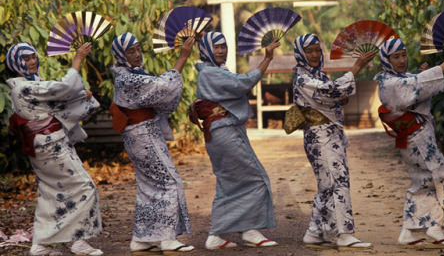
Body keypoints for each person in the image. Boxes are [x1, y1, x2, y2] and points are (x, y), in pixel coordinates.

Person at [6, 42, 103, 256]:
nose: (32, 61)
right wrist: (77, 59)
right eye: (25, 59)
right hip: (50, 146)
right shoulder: (24, 87)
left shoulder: (30, 85)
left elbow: (60, 96)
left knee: (50, 194)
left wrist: (80, 96)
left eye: (33, 57)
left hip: (44, 145)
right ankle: (78, 241)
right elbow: (63, 89)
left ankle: (40, 245)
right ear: (15, 63)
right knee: (85, 187)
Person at [189, 31, 279, 250]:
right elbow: (243, 83)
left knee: (228, 183)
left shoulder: (216, 72)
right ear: (206, 50)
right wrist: (267, 58)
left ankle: (216, 236)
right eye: (216, 47)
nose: (221, 51)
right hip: (224, 131)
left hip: (223, 130)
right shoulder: (210, 73)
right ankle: (249, 230)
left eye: (223, 46)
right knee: (256, 178)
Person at [374, 38, 444, 247]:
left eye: (403, 54)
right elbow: (416, 86)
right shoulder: (391, 82)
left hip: (416, 138)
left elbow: (415, 85)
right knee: (440, 177)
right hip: (416, 140)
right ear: (386, 60)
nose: (401, 60)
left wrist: (419, 74)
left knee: (424, 182)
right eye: (395, 56)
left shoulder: (394, 79)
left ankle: (411, 231)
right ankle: (434, 226)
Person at [109, 32, 196, 254]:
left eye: (138, 48)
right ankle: (167, 238)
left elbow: (156, 89)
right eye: (131, 51)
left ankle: (141, 238)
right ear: (121, 55)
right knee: (169, 181)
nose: (137, 54)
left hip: (140, 133)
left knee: (149, 185)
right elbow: (162, 88)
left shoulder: (131, 75)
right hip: (141, 135)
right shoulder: (127, 78)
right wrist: (183, 57)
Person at [292, 33, 375, 250]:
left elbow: (335, 96)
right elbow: (332, 91)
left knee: (327, 184)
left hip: (329, 136)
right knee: (338, 181)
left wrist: (340, 98)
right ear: (300, 53)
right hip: (320, 137)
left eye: (317, 50)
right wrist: (356, 66)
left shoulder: (320, 75)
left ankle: (314, 232)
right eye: (308, 50)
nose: (313, 54)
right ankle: (344, 233)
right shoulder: (302, 78)